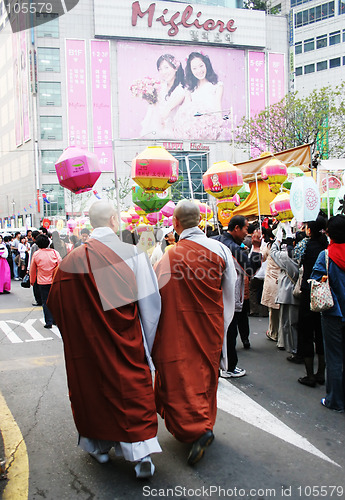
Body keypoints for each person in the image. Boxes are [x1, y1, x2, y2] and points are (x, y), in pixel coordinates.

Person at [47, 200, 162, 478]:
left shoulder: (71, 260)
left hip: (87, 346)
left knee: (92, 391)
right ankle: (140, 453)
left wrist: (79, 336)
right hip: (125, 341)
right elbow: (150, 306)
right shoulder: (132, 253)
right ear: (113, 220)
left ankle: (97, 447)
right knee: (131, 392)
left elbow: (57, 305)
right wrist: (149, 346)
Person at [153, 200, 236, 465]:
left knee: (179, 379)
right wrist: (222, 325)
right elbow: (230, 293)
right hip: (211, 327)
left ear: (175, 224)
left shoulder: (170, 254)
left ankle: (193, 429)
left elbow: (155, 295)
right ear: (199, 220)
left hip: (176, 330)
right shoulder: (221, 249)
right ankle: (205, 425)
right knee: (205, 377)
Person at [213, 216, 262, 376]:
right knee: (230, 332)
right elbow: (251, 270)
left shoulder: (216, 241)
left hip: (214, 294)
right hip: (229, 296)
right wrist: (256, 247)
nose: (246, 233)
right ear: (236, 228)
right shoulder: (233, 248)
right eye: (245, 229)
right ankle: (229, 367)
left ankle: (221, 365)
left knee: (220, 332)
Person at [311, 215, 345, 412]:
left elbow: (315, 280)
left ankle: (334, 400)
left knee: (334, 357)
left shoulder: (326, 256)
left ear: (329, 233)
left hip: (333, 312)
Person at [297, 216, 328, 387]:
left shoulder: (304, 245)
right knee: (321, 333)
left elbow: (296, 259)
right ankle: (321, 373)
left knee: (307, 333)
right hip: (324, 293)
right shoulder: (327, 245)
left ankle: (309, 375)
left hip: (308, 292)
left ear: (309, 229)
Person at [177, 52, 224, 140]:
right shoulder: (190, 90)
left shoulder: (217, 86)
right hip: (195, 133)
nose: (199, 71)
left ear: (206, 65)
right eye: (194, 68)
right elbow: (186, 112)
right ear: (191, 71)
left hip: (211, 130)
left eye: (201, 66)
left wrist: (219, 125)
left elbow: (218, 108)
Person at [270, 223, 300, 360]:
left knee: (289, 323)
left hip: (288, 293)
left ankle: (294, 349)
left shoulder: (286, 257)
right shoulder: (303, 256)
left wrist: (278, 239)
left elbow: (273, 253)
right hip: (301, 293)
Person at [141, 53, 185, 139]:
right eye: (160, 69)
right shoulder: (159, 87)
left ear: (175, 68)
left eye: (166, 68)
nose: (163, 72)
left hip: (170, 130)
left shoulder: (180, 90)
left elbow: (167, 111)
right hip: (156, 126)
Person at [29, 234, 61, 328]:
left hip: (42, 282)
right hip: (54, 280)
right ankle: (56, 320)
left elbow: (32, 269)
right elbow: (61, 265)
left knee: (45, 301)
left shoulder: (36, 254)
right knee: (54, 300)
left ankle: (48, 321)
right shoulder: (54, 253)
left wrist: (32, 280)